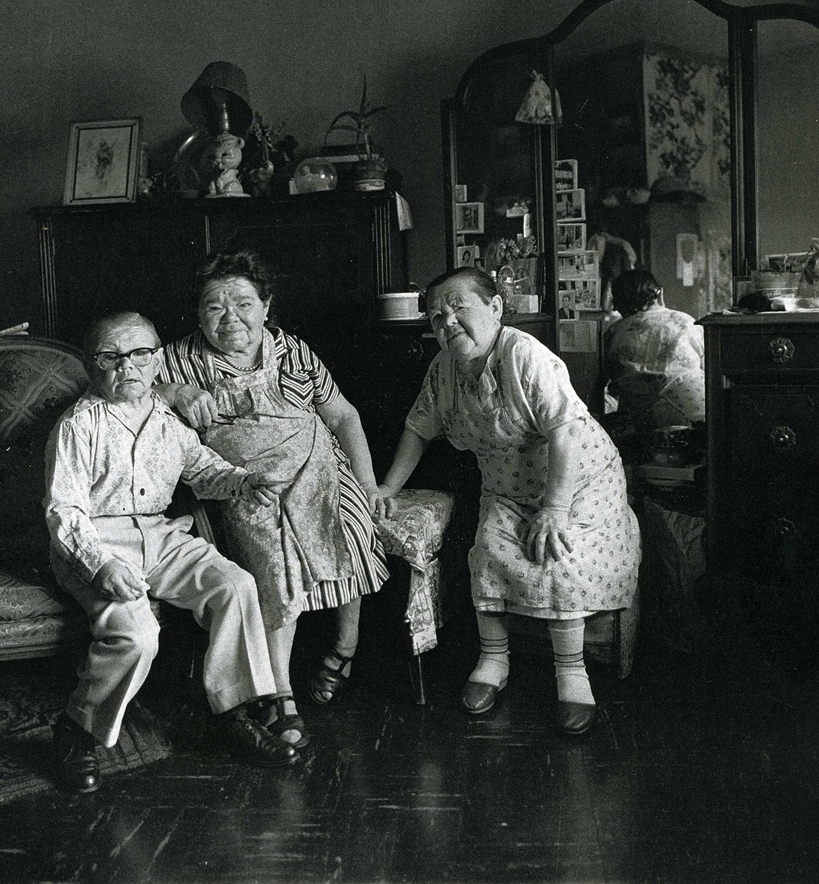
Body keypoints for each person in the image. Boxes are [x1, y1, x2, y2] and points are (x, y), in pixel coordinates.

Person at [374, 267, 641, 737]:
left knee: (556, 555)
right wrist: (388, 489)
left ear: (495, 308)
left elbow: (564, 433)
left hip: (578, 481)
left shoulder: (524, 355)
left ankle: (571, 673)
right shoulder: (443, 370)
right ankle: (494, 661)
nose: (448, 322)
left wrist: (555, 510)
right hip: (508, 487)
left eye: (460, 307)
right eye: (437, 316)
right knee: (489, 552)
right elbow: (418, 428)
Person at [45, 311, 299, 794]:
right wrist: (99, 565)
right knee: (138, 635)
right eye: (111, 357)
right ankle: (76, 730)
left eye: (140, 354)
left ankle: (233, 712)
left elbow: (202, 467)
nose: (128, 367)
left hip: (159, 536)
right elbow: (64, 510)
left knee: (235, 585)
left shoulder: (166, 419)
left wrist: (244, 482)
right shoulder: (78, 424)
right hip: (96, 541)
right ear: (91, 367)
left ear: (158, 359)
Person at [155, 250, 389, 750]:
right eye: (214, 307)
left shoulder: (295, 352)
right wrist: (173, 391)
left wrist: (369, 486)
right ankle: (280, 690)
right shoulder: (176, 358)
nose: (230, 318)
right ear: (198, 315)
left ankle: (344, 649)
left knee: (349, 523)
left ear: (266, 307)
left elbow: (344, 416)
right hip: (244, 481)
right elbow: (123, 383)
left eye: (243, 303)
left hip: (317, 466)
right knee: (270, 555)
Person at [602, 268, 706, 449]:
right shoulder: (687, 322)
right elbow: (705, 365)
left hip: (641, 419)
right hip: (692, 409)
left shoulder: (615, 331)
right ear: (659, 293)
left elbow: (608, 378)